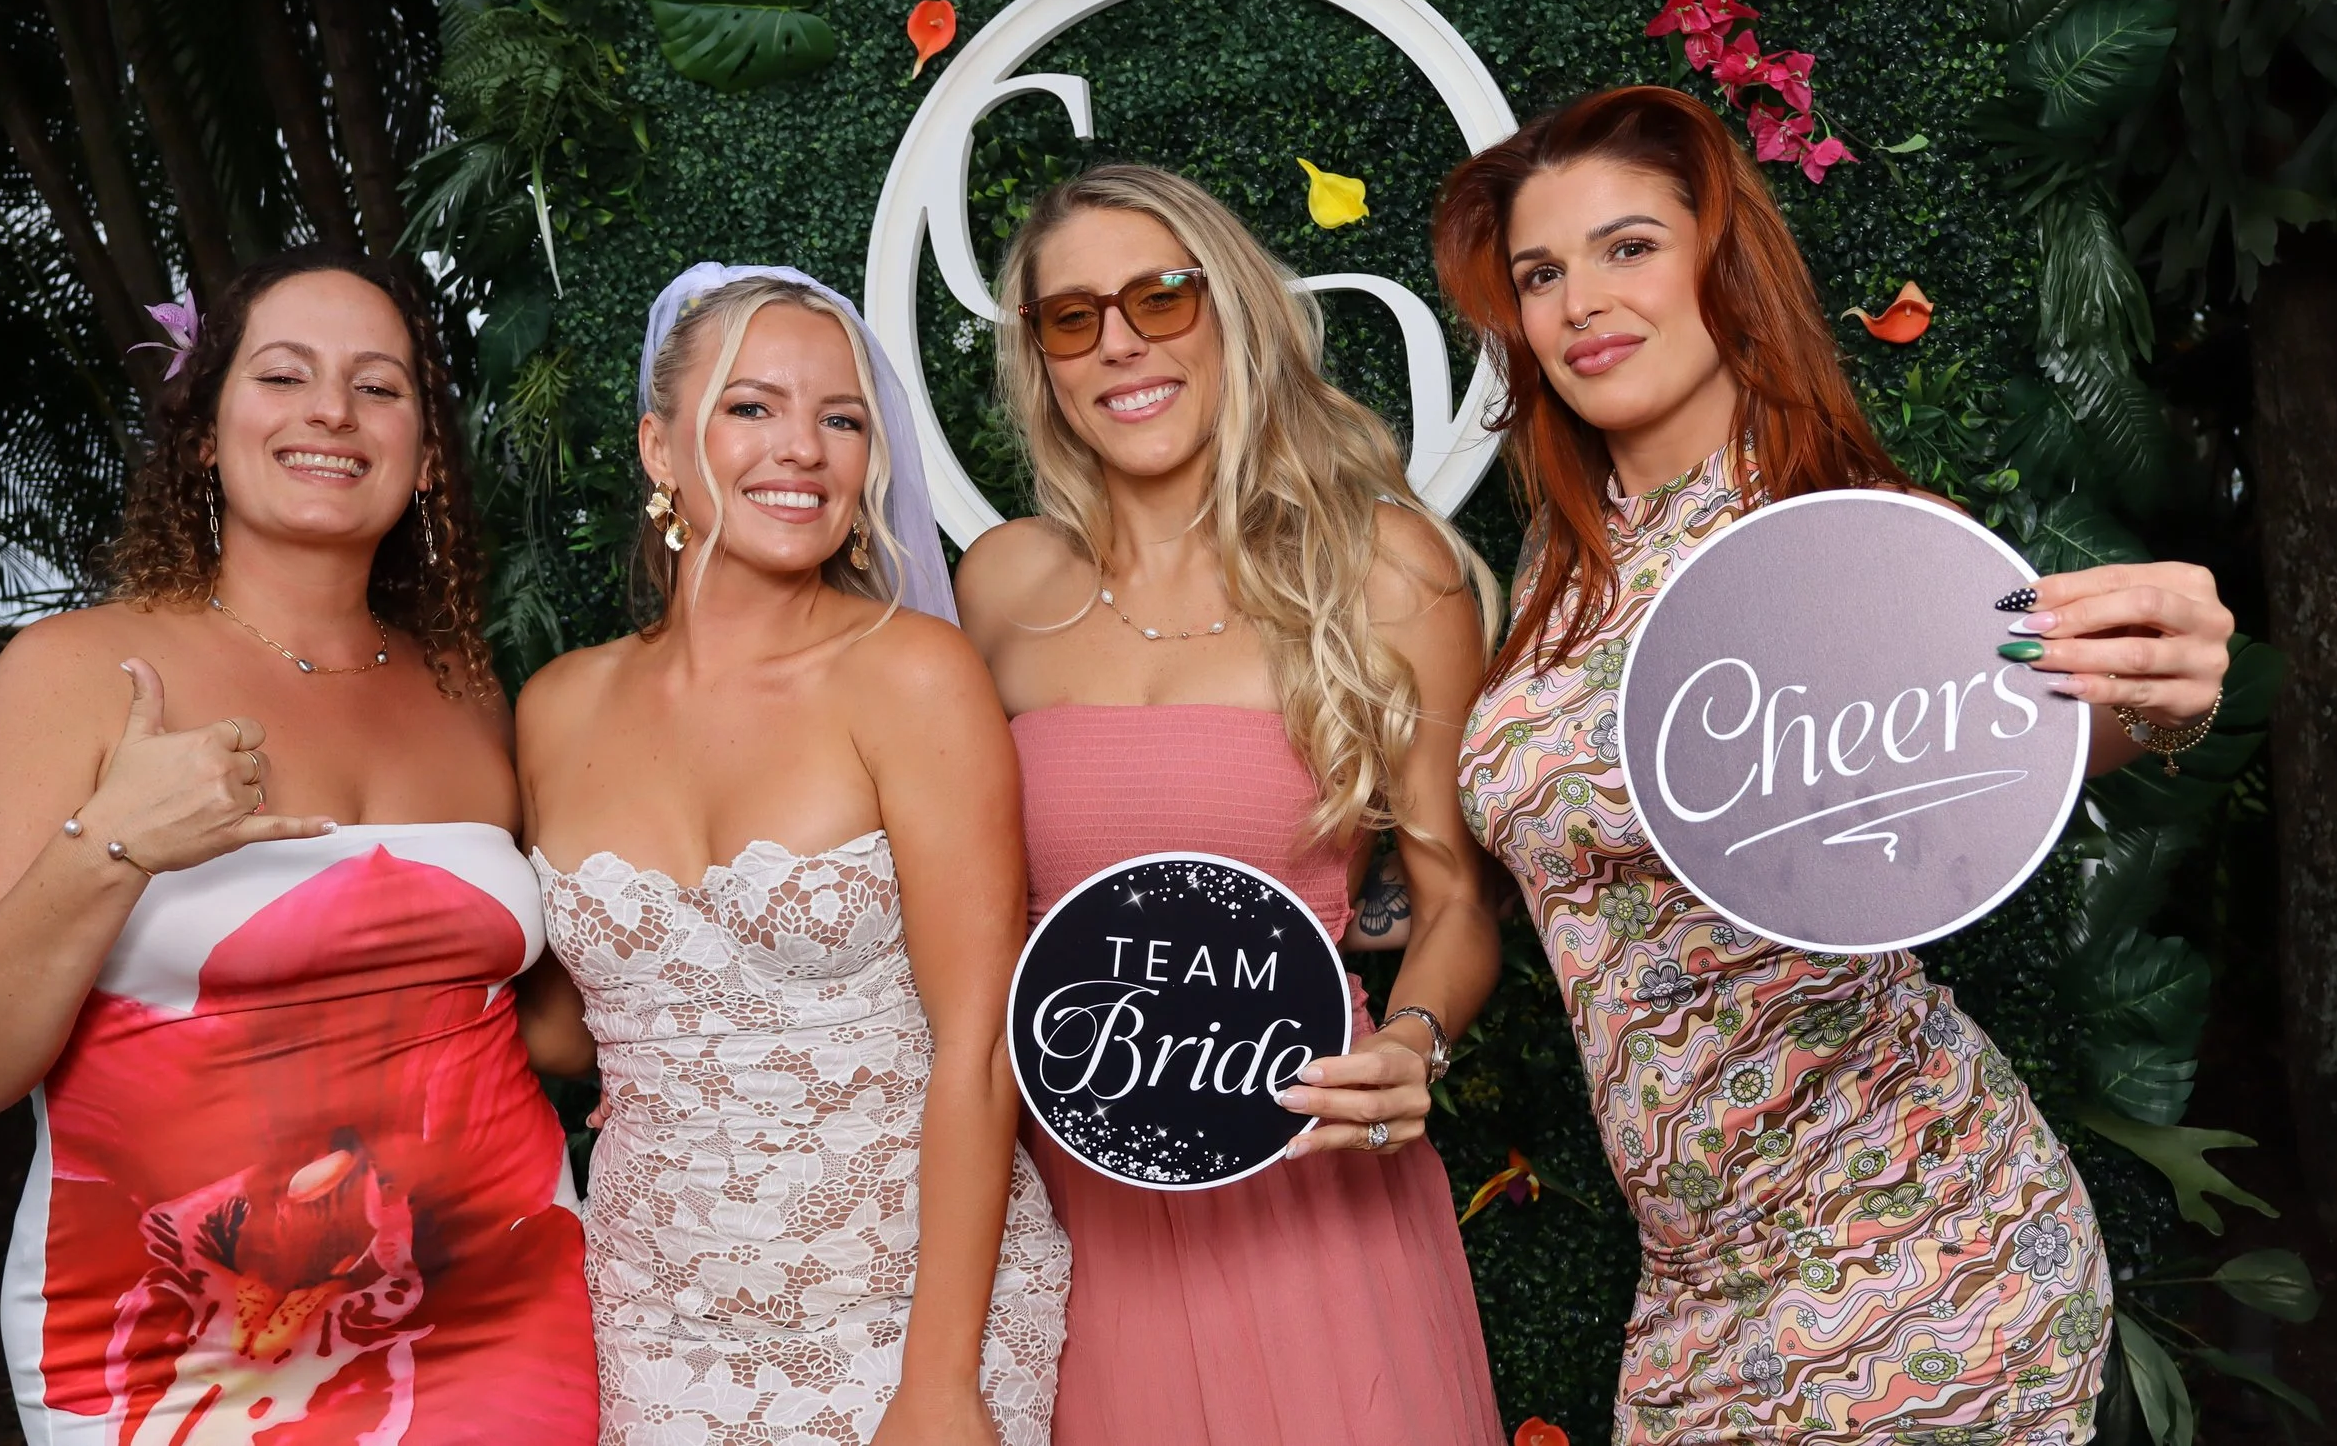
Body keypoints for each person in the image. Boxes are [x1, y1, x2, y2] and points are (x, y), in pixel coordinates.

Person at [1437, 86, 2237, 1444]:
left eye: (1629, 246)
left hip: (1922, 1255)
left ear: (1719, 262)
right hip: (1701, 1290)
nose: (1580, 298)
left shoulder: (1844, 542)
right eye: (1540, 270)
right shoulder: (1559, 557)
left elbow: (2030, 735)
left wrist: (2164, 698)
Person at [0, 247, 597, 1443]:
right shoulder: (75, 672)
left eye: (379, 386)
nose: (332, 409)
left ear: (426, 458)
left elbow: (549, 1014)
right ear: (207, 433)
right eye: (284, 375)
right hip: (160, 1342)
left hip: (496, 1311)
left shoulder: (471, 689)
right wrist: (111, 842)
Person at [955, 164, 1505, 1445]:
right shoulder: (998, 585)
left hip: (1312, 1185)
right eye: (1071, 317)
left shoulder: (1381, 568)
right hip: (1074, 1213)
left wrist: (1410, 1043)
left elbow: (1459, 901)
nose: (1122, 344)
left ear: (1233, 311)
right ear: (1040, 360)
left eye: (1160, 295)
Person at [515, 266, 1070, 1446]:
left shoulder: (911, 672)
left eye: (842, 417)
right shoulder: (556, 706)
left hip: (908, 1316)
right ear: (662, 447)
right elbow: (564, 1026)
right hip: (650, 1325)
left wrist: (939, 1383)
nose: (803, 448)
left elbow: (980, 1042)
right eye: (752, 407)